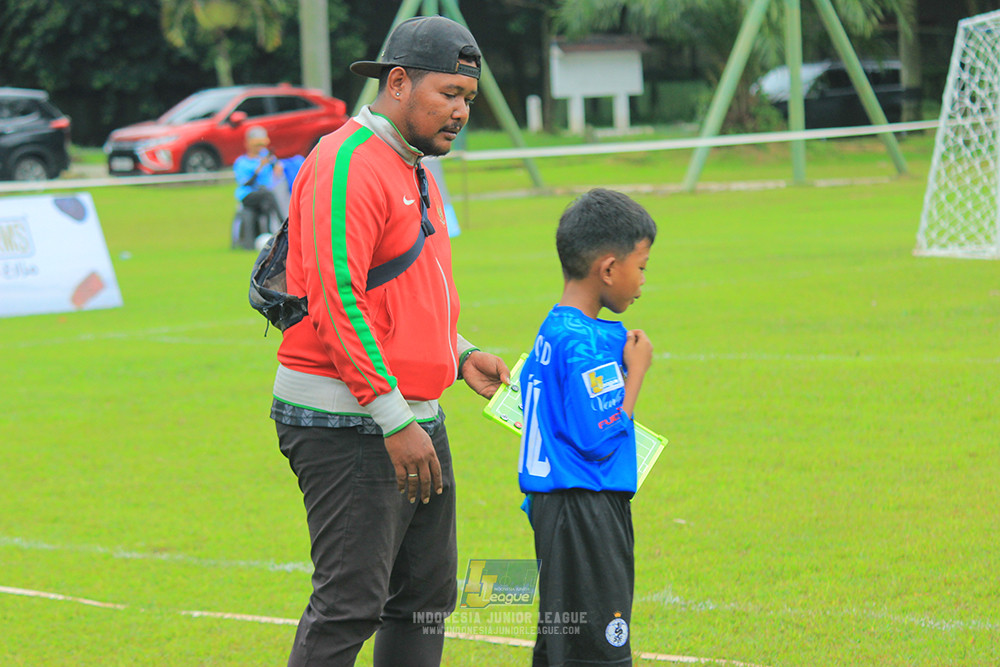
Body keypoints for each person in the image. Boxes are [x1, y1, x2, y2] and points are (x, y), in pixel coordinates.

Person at [269, 15, 509, 667]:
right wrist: (393, 416)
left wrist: (459, 353)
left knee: (425, 599)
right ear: (397, 82)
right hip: (349, 418)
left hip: (410, 414)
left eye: (468, 98)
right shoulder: (346, 160)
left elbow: (402, 292)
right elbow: (336, 301)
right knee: (350, 602)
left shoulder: (418, 166)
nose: (461, 112)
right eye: (449, 94)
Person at [517, 188, 657, 667]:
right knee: (599, 648)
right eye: (642, 267)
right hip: (585, 507)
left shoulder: (555, 328)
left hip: (557, 507)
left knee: (562, 646)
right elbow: (599, 436)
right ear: (609, 269)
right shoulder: (588, 345)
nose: (643, 281)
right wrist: (636, 372)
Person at [233, 126, 286, 248]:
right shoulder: (242, 162)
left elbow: (277, 168)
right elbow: (246, 184)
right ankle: (283, 223)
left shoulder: (266, 157)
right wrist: (259, 168)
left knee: (267, 202)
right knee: (268, 195)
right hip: (248, 196)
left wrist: (277, 167)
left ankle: (267, 236)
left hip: (264, 195)